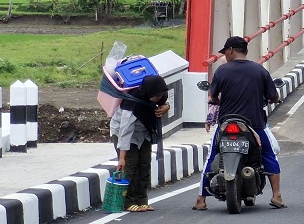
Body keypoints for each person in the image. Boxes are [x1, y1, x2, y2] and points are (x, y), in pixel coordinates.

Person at [193, 36, 286, 210]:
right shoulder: (259, 70)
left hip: (226, 124)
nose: (225, 56)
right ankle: (277, 195)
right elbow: (273, 96)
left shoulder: (222, 71)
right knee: (268, 153)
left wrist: (219, 100)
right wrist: (274, 99)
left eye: (225, 52)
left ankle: (201, 200)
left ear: (230, 51)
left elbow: (213, 97)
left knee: (211, 156)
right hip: (255, 125)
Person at [110, 75, 170, 212]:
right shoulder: (131, 104)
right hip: (123, 134)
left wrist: (166, 107)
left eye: (161, 95)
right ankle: (127, 201)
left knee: (144, 165)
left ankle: (141, 199)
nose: (160, 98)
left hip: (143, 134)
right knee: (130, 167)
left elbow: (163, 103)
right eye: (158, 96)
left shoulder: (159, 95)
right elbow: (124, 132)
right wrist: (122, 158)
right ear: (149, 92)